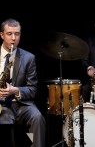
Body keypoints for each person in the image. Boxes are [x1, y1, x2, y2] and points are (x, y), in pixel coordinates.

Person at [0, 18, 46, 147]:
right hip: (0, 104)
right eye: (9, 34)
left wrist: (15, 90)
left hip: (21, 104)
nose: (14, 38)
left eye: (17, 34)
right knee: (5, 119)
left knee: (38, 118)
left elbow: (32, 89)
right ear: (2, 35)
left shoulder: (29, 58)